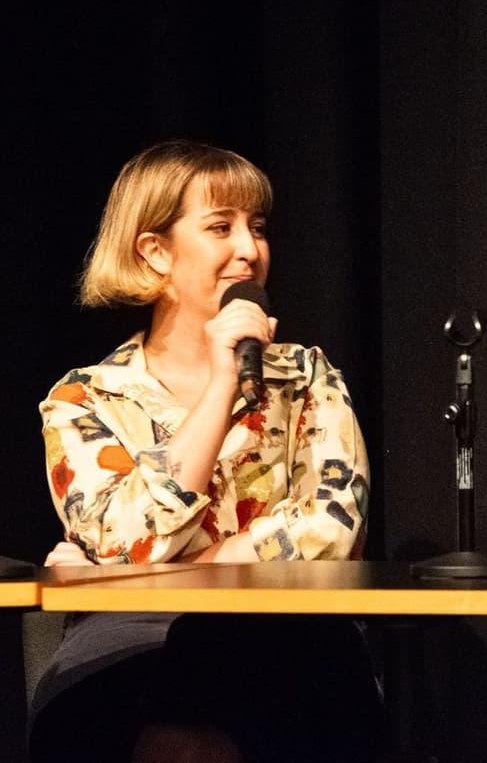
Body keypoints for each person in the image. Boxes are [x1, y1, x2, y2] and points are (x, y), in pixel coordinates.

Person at [31, 141, 381, 762]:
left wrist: (133, 578)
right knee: (169, 726)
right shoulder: (84, 398)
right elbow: (120, 539)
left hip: (290, 637)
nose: (249, 249)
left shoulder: (306, 377)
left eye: (258, 228)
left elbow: (330, 534)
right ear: (155, 251)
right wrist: (222, 386)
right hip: (130, 647)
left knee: (223, 680)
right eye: (221, 227)